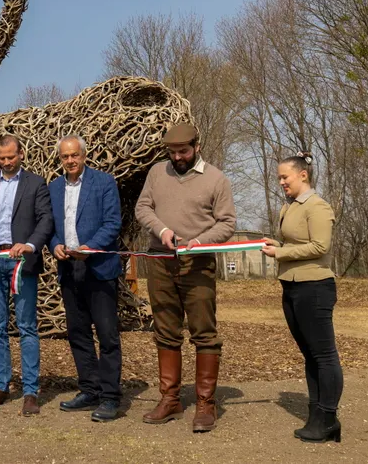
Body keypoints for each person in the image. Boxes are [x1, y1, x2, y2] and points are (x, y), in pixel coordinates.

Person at [135, 123, 236, 432]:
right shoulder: (156, 173)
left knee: (204, 332)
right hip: (160, 261)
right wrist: (161, 230)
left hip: (198, 264)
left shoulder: (216, 179)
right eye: (173, 152)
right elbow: (142, 207)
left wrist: (202, 240)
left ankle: (206, 404)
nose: (178, 157)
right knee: (166, 331)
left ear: (197, 147)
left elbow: (228, 223)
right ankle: (171, 399)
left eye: (184, 151)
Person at [0, 133, 53, 416]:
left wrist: (29, 245)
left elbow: (46, 220)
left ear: (21, 155)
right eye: (2, 158)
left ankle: (30, 391)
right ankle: (1, 386)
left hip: (22, 264)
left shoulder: (36, 183)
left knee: (27, 327)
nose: (6, 162)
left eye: (10, 157)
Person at [261, 152, 342, 443]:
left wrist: (280, 253)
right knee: (310, 354)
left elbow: (320, 246)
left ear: (303, 175)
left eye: (285, 177)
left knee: (324, 355)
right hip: (292, 286)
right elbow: (297, 243)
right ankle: (315, 415)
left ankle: (328, 418)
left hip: (316, 287)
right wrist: (277, 244)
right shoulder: (289, 207)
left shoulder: (318, 206)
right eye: (280, 178)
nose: (281, 182)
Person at [48, 135, 124, 422]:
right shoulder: (54, 188)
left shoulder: (104, 183)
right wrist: (54, 243)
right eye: (65, 157)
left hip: (99, 268)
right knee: (78, 334)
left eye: (75, 155)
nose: (70, 161)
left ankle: (110, 397)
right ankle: (89, 389)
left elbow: (112, 223)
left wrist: (89, 249)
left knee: (107, 335)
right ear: (61, 159)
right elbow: (51, 226)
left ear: (84, 155)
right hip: (69, 268)